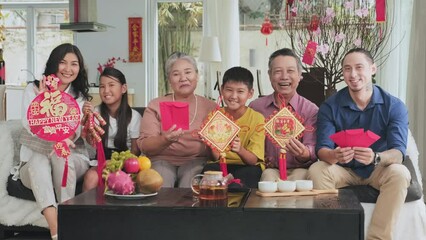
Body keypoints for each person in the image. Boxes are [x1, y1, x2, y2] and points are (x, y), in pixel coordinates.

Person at [308, 48, 410, 240]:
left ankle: (377, 238)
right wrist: (334, 155)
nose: (353, 74)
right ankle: (333, 235)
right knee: (317, 169)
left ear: (372, 69)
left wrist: (376, 157)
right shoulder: (330, 106)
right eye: (347, 69)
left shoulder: (394, 106)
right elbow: (322, 150)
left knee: (400, 173)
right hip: (343, 169)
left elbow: (398, 153)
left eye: (359, 67)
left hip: (378, 168)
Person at [15, 43, 92, 240]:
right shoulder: (33, 90)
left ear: (79, 68)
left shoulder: (79, 97)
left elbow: (75, 132)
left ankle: (62, 222)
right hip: (33, 161)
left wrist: (64, 139)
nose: (68, 69)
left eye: (74, 64)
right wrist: (43, 100)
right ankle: (56, 225)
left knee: (61, 155)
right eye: (63, 62)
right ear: (53, 64)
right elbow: (28, 124)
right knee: (38, 161)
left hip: (70, 157)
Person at [137, 52, 216, 188]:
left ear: (197, 76)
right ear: (169, 79)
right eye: (176, 74)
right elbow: (144, 146)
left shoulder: (211, 107)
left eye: (188, 72)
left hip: (196, 160)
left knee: (190, 186)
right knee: (161, 185)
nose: (183, 78)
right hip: (161, 160)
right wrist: (165, 139)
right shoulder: (155, 105)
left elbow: (219, 149)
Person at [249, 48, 318, 181]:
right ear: (269, 75)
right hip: (268, 170)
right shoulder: (255, 107)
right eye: (278, 71)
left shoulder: (311, 110)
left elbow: (313, 148)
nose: (284, 77)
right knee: (267, 179)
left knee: (300, 182)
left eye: (290, 71)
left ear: (300, 75)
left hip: (299, 169)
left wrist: (304, 153)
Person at [202, 67, 265, 188]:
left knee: (249, 176)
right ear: (222, 90)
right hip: (219, 164)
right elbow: (215, 157)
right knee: (209, 173)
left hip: (247, 166)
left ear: (250, 93)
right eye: (229, 90)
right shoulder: (214, 116)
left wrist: (240, 149)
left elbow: (252, 160)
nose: (233, 96)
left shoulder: (257, 119)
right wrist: (210, 144)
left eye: (240, 91)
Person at [82, 67, 141, 192]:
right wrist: (88, 120)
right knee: (91, 177)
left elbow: (135, 151)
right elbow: (91, 143)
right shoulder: (95, 112)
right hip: (101, 161)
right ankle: (87, 211)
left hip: (126, 163)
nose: (106, 91)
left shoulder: (134, 116)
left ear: (123, 88)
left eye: (111, 85)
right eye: (102, 86)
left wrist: (117, 162)